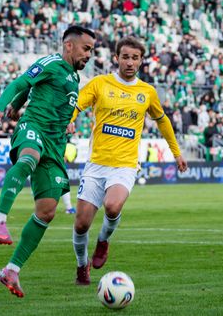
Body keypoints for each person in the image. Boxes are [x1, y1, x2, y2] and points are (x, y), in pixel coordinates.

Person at [0, 26, 95, 297]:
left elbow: (38, 92)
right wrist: (1, 107)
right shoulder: (51, 63)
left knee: (47, 211)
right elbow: (21, 83)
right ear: (69, 45)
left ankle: (11, 270)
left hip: (55, 145)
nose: (89, 55)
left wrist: (66, 122)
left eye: (91, 50)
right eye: (86, 49)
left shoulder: (73, 77)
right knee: (28, 158)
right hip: (34, 126)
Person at [70, 36, 188, 285]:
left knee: (113, 207)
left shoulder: (147, 92)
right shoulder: (100, 83)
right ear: (116, 58)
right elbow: (76, 105)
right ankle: (82, 265)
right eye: (125, 57)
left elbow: (163, 121)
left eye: (135, 58)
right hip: (96, 164)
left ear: (141, 61)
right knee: (81, 225)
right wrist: (69, 120)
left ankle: (103, 241)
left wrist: (176, 152)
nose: (130, 62)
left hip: (125, 165)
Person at [62, 137, 78, 214]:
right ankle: (69, 208)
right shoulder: (71, 146)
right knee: (64, 185)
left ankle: (69, 208)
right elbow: (70, 159)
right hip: (57, 165)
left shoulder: (64, 144)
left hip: (56, 165)